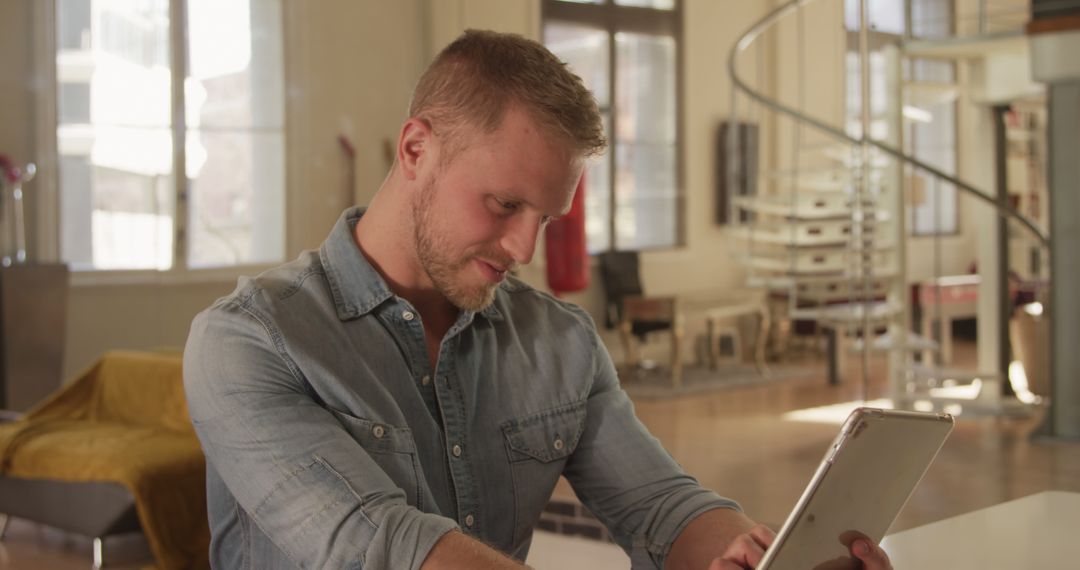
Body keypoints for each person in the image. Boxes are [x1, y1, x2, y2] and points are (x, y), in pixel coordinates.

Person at [183, 29, 892, 570]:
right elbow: (382, 546)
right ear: (415, 150)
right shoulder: (248, 343)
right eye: (503, 203)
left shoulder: (560, 342)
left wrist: (751, 554)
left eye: (545, 219)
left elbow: (660, 507)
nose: (523, 249)